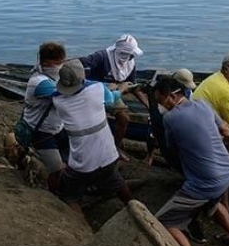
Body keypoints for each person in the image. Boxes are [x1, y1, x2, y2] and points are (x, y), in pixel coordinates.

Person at [152, 76, 229, 246]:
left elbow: (171, 148)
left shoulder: (169, 118)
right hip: (228, 173)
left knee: (164, 222)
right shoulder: (203, 105)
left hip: (204, 182)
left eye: (161, 101)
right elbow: (225, 130)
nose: (161, 106)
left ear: (171, 96)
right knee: (213, 204)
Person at [52, 59, 132, 221]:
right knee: (116, 181)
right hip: (109, 159)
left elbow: (84, 93)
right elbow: (110, 99)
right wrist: (121, 89)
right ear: (82, 78)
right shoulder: (97, 89)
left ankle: (81, 225)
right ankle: (135, 207)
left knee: (69, 195)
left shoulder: (58, 101)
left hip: (82, 167)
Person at [78, 34, 149, 157]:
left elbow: (132, 86)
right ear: (122, 52)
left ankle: (115, 148)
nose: (131, 57)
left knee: (124, 118)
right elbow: (80, 63)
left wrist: (148, 105)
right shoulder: (102, 56)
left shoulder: (130, 62)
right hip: (93, 92)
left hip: (114, 93)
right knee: (97, 120)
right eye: (130, 54)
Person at [20, 41, 67, 192]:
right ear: (46, 63)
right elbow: (69, 93)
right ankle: (55, 194)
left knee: (74, 160)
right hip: (40, 132)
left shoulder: (56, 76)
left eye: (63, 61)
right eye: (58, 62)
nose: (61, 65)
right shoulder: (39, 82)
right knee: (56, 168)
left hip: (58, 128)